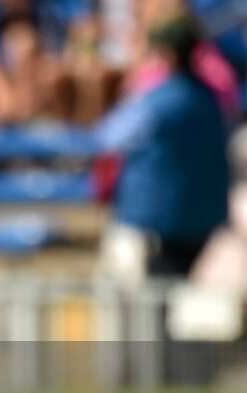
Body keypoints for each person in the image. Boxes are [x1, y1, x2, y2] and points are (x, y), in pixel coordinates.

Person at [96, 16, 230, 282]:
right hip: (201, 220)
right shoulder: (210, 100)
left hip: (157, 224)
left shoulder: (157, 103)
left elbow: (108, 137)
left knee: (152, 302)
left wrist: (132, 85)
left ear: (167, 55)